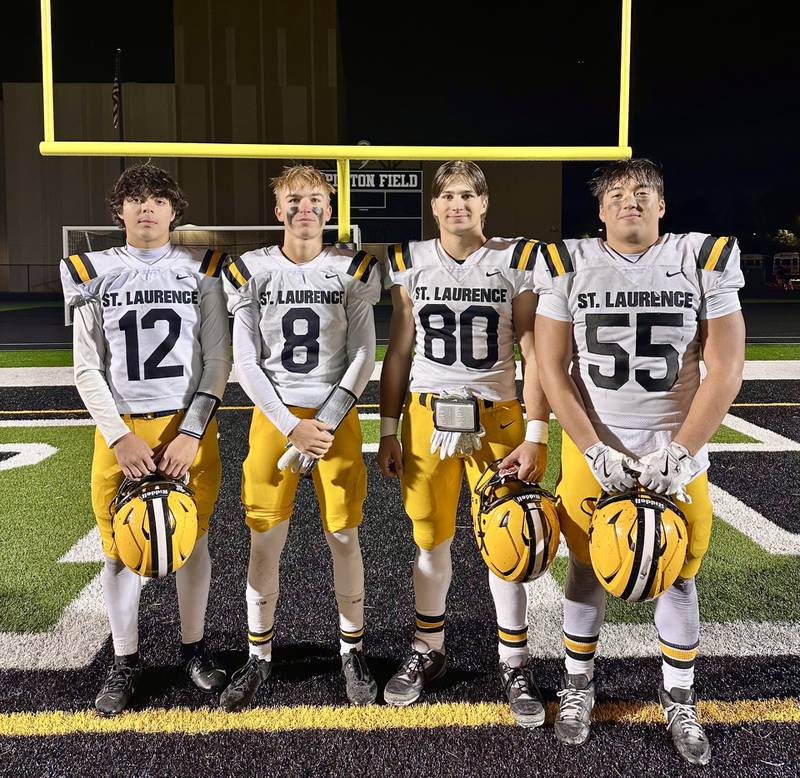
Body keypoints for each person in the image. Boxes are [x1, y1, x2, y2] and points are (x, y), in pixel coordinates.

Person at [533, 158, 745, 765]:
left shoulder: (700, 258)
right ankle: (578, 682)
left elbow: (726, 368)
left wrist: (682, 451)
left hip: (674, 449)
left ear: (662, 207)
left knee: (678, 571)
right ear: (600, 211)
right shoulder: (568, 263)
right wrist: (592, 447)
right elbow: (551, 368)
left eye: (644, 192)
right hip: (592, 447)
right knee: (584, 562)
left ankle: (679, 695)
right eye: (618, 193)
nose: (632, 200)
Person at [377, 160, 551, 727]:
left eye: (469, 195)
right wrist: (386, 428)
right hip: (427, 416)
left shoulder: (512, 260)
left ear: (484, 204)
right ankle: (429, 650)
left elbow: (531, 350)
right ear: (434, 206)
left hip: (496, 415)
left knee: (508, 538)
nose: (458, 204)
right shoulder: (411, 262)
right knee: (430, 539)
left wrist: (534, 429)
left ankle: (515, 661)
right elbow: (399, 351)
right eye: (448, 195)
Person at [59, 163, 232, 715]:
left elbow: (217, 358)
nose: (147, 208)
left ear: (174, 210)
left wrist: (190, 431)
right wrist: (117, 438)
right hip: (124, 428)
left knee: (192, 540)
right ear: (120, 211)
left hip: (186, 426)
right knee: (118, 550)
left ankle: (194, 650)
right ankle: (125, 659)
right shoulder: (92, 269)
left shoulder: (202, 268)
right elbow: (86, 368)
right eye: (136, 199)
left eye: (158, 199)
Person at [219, 165, 380, 709]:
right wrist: (291, 424)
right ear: (277, 209)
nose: (304, 207)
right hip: (275, 415)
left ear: (330, 209)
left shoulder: (352, 268)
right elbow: (244, 359)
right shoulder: (250, 269)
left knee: (344, 535)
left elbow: (363, 354)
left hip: (335, 416)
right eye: (293, 199)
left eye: (315, 198)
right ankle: (258, 654)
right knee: (265, 540)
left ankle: (351, 650)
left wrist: (325, 420)